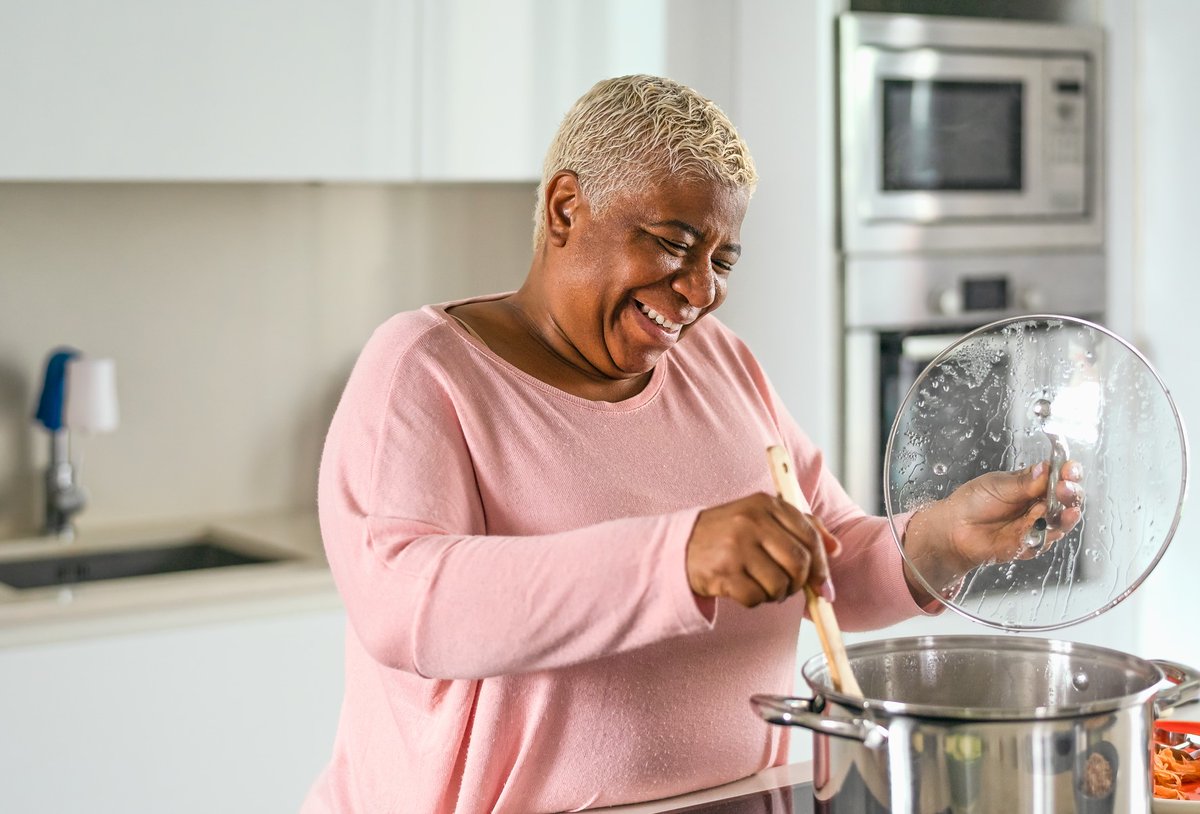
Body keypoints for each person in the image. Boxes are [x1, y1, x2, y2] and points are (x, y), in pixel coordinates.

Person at [300, 74, 1082, 813]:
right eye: (673, 243)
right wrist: (676, 558)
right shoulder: (426, 368)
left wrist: (942, 538)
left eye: (722, 260)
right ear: (567, 209)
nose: (703, 291)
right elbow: (408, 606)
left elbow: (826, 563)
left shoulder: (718, 361)